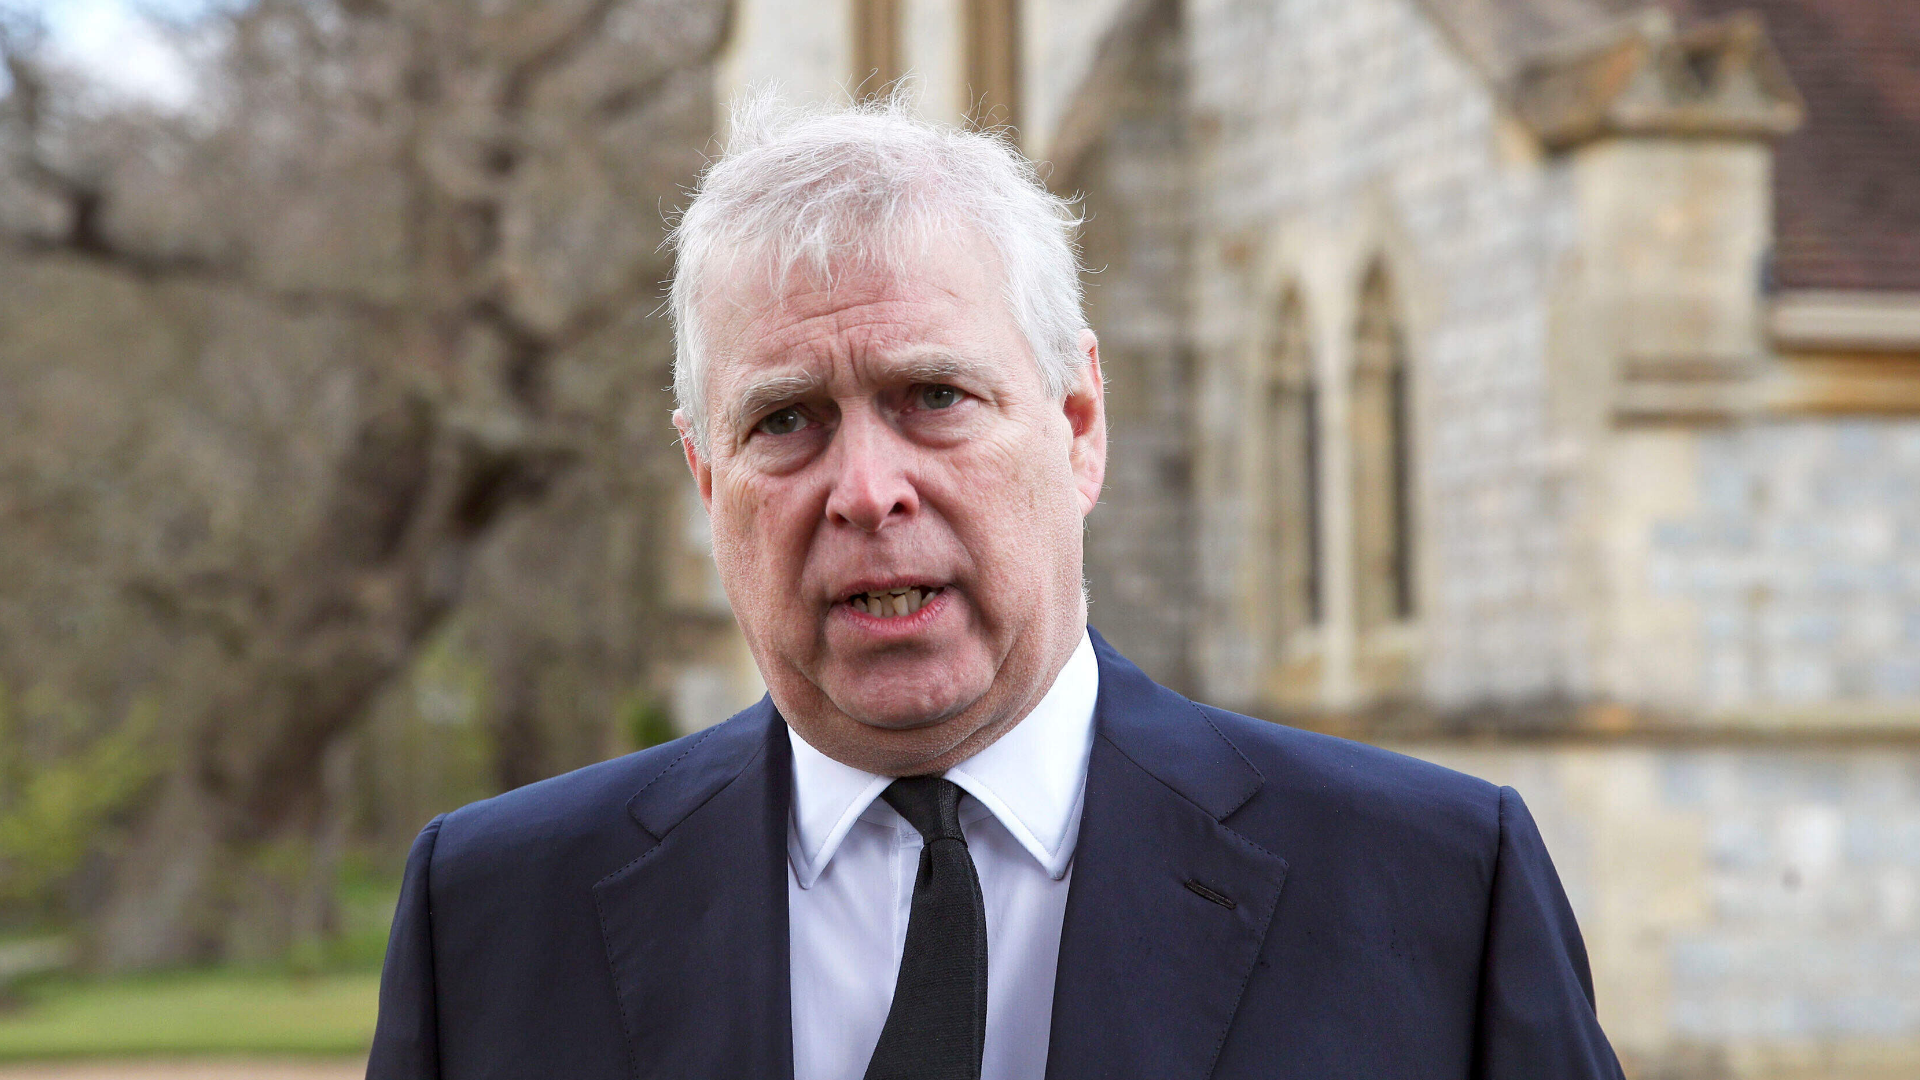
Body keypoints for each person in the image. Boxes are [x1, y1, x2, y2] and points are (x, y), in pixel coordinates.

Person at [366, 96, 1624, 1080]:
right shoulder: (488, 921)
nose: (867, 489)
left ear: (1078, 425)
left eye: (935, 397)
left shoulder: (1437, 888)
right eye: (788, 420)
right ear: (707, 478)